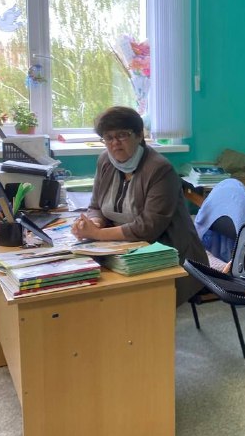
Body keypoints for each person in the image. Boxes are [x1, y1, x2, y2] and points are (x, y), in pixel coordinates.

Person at [71, 106, 208, 304]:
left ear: (139, 135)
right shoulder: (105, 161)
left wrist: (98, 234)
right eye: (108, 137)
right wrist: (94, 223)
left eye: (122, 135)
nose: (115, 143)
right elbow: (96, 206)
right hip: (122, 247)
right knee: (85, 284)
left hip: (168, 253)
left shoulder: (159, 169)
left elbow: (148, 228)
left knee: (117, 298)